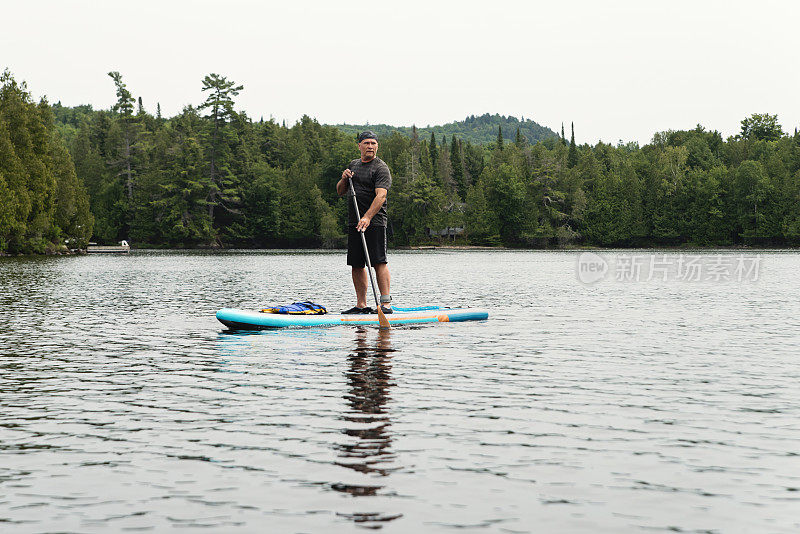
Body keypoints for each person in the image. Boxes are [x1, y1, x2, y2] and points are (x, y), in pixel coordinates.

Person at [336, 131, 392, 315]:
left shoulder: (381, 168)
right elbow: (340, 191)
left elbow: (381, 196)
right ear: (359, 145)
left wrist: (367, 217)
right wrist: (344, 178)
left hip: (375, 222)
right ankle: (361, 304)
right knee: (356, 264)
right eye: (367, 143)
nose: (370, 146)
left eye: (373, 143)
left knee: (378, 262)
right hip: (355, 222)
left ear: (377, 146)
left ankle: (385, 304)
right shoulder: (353, 165)